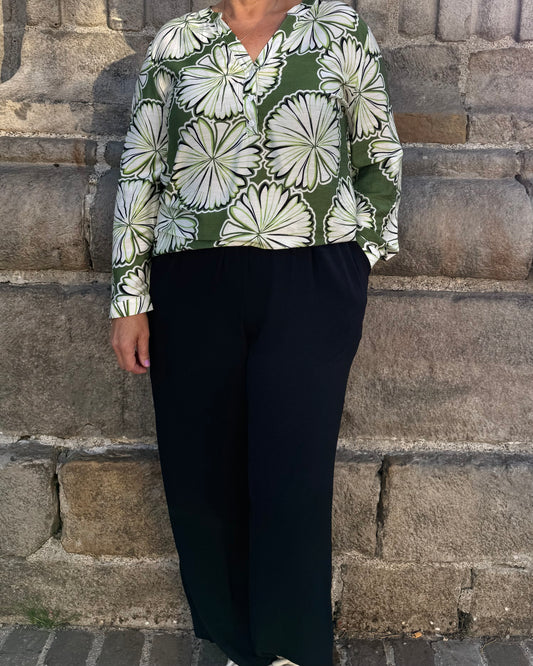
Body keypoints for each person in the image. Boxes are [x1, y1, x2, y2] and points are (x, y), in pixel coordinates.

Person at [109, 0, 402, 664]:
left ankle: (291, 648)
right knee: (201, 468)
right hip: (191, 278)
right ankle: (237, 641)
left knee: (293, 469)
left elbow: (378, 148)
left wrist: (359, 255)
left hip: (311, 274)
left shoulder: (336, 29)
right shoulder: (178, 41)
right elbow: (140, 167)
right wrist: (129, 297)